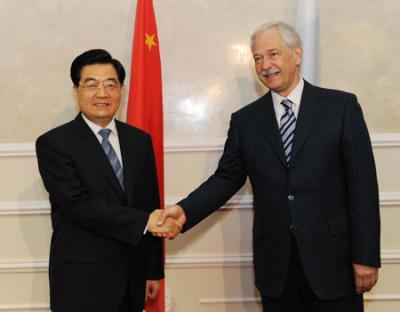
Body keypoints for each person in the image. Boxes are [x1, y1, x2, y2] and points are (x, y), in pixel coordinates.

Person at [158, 22, 380, 311]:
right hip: (277, 270)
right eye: (258, 58)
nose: (265, 65)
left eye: (273, 54)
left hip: (334, 265)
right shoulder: (246, 121)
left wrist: (366, 256)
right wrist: (185, 211)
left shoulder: (341, 108)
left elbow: (363, 187)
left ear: (297, 54)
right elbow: (225, 179)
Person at [36, 49, 180, 312]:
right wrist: (143, 221)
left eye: (110, 84)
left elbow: (149, 201)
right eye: (91, 84)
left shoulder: (139, 140)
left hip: (132, 276)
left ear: (121, 90)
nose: (102, 93)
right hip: (81, 281)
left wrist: (152, 269)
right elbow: (77, 205)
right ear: (76, 90)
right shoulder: (54, 144)